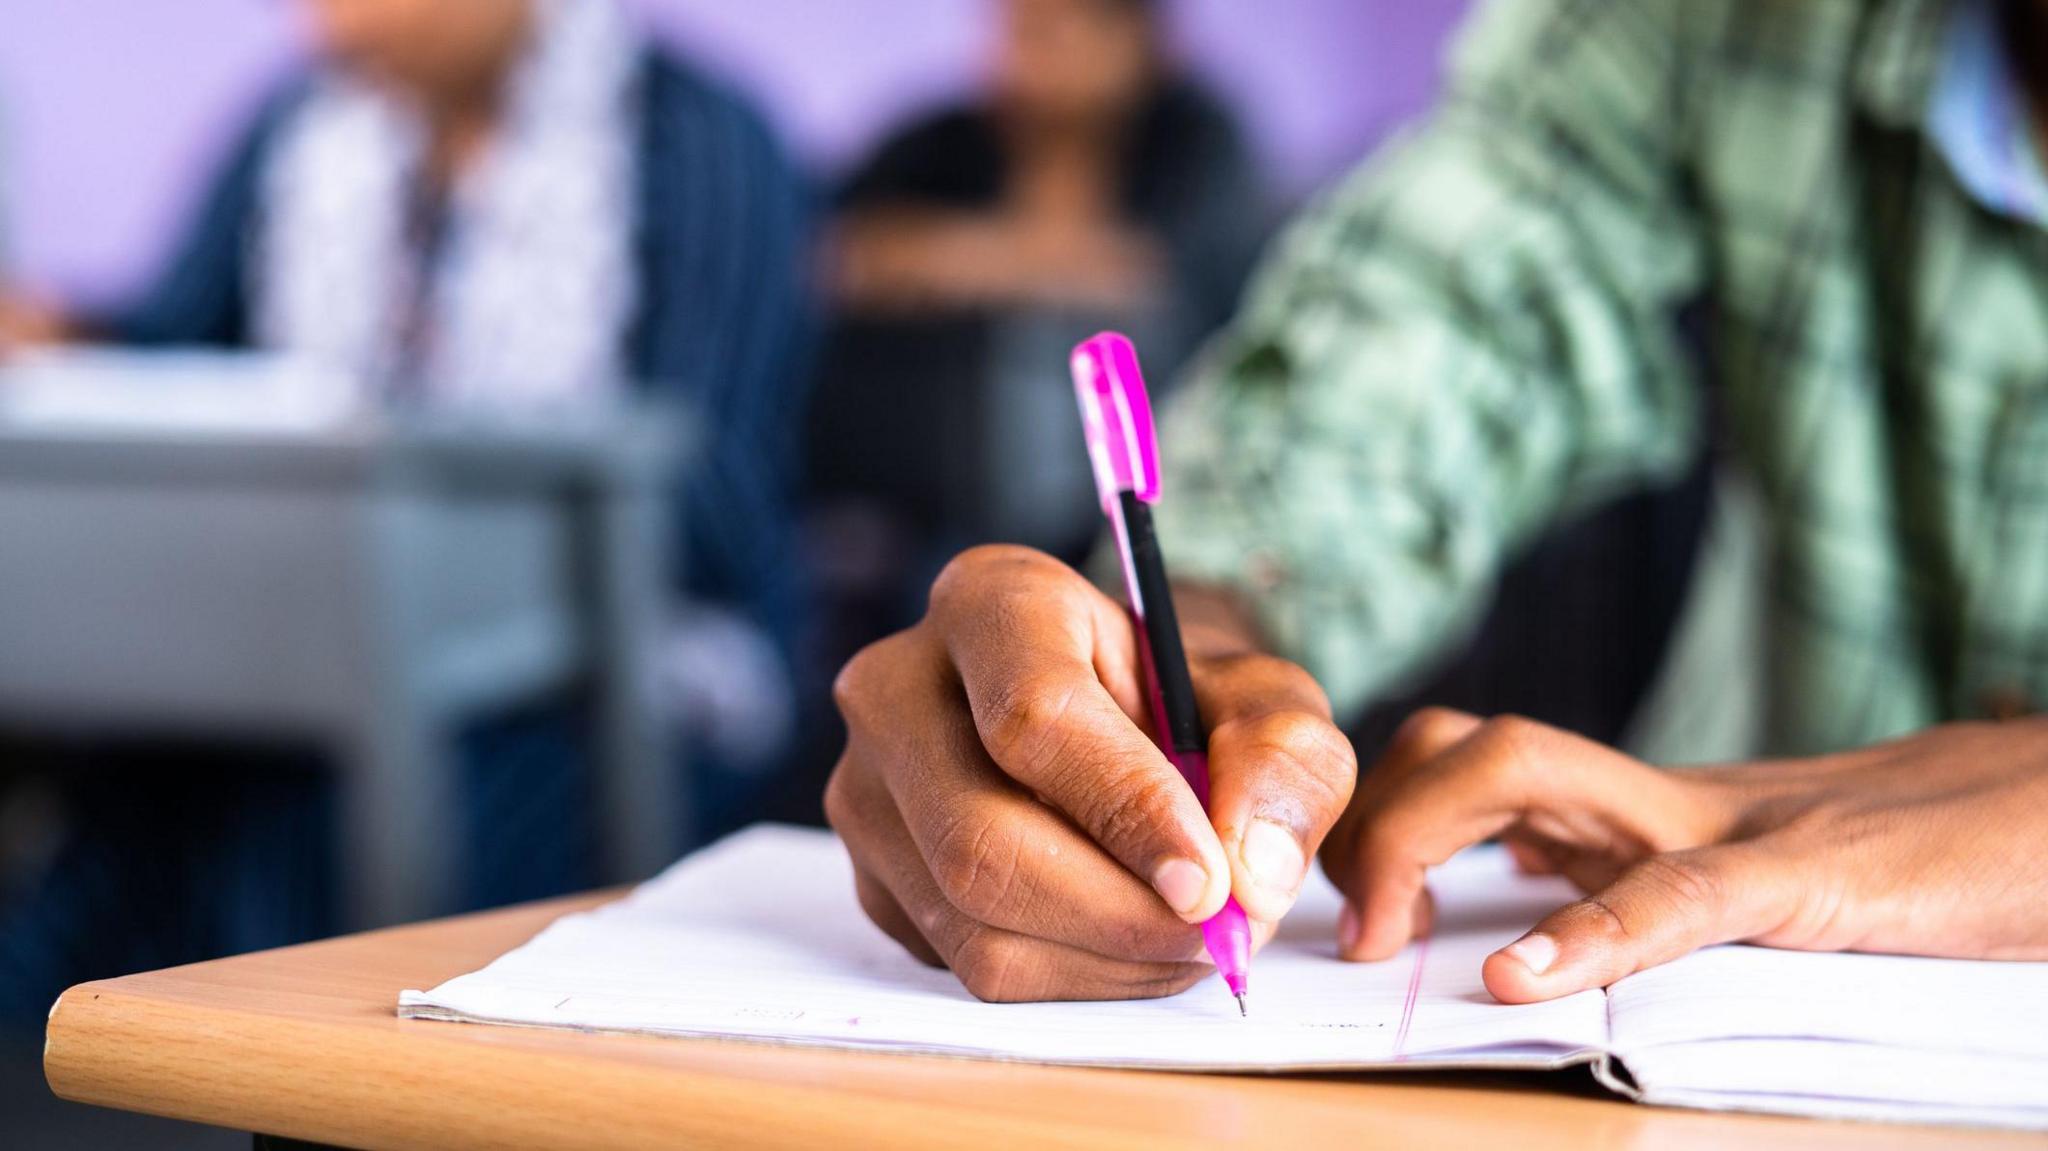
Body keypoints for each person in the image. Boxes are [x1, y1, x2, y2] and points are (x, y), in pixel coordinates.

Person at [824, 0, 2048, 1006]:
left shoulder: (1189, 145)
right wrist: (1179, 646)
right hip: (1689, 1023)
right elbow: (1427, 324)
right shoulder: (1712, 25)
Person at [0, 0, 814, 813]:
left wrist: (431, 549)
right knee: (112, 805)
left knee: (322, 825)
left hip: (602, 671)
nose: (333, 30)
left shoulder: (699, 141)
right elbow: (185, 345)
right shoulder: (303, 121)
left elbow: (710, 492)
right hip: (304, 641)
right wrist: (60, 336)